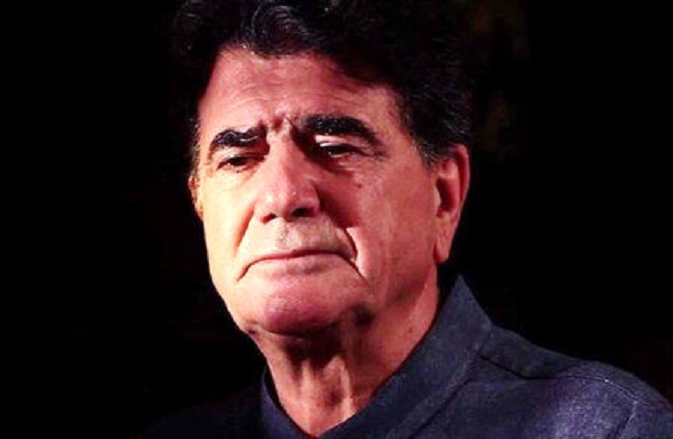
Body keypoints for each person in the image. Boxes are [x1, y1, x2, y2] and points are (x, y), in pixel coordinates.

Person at [146, 0, 673, 437]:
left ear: (444, 197)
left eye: (334, 146)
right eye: (238, 158)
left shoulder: (604, 428)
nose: (283, 195)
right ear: (200, 203)